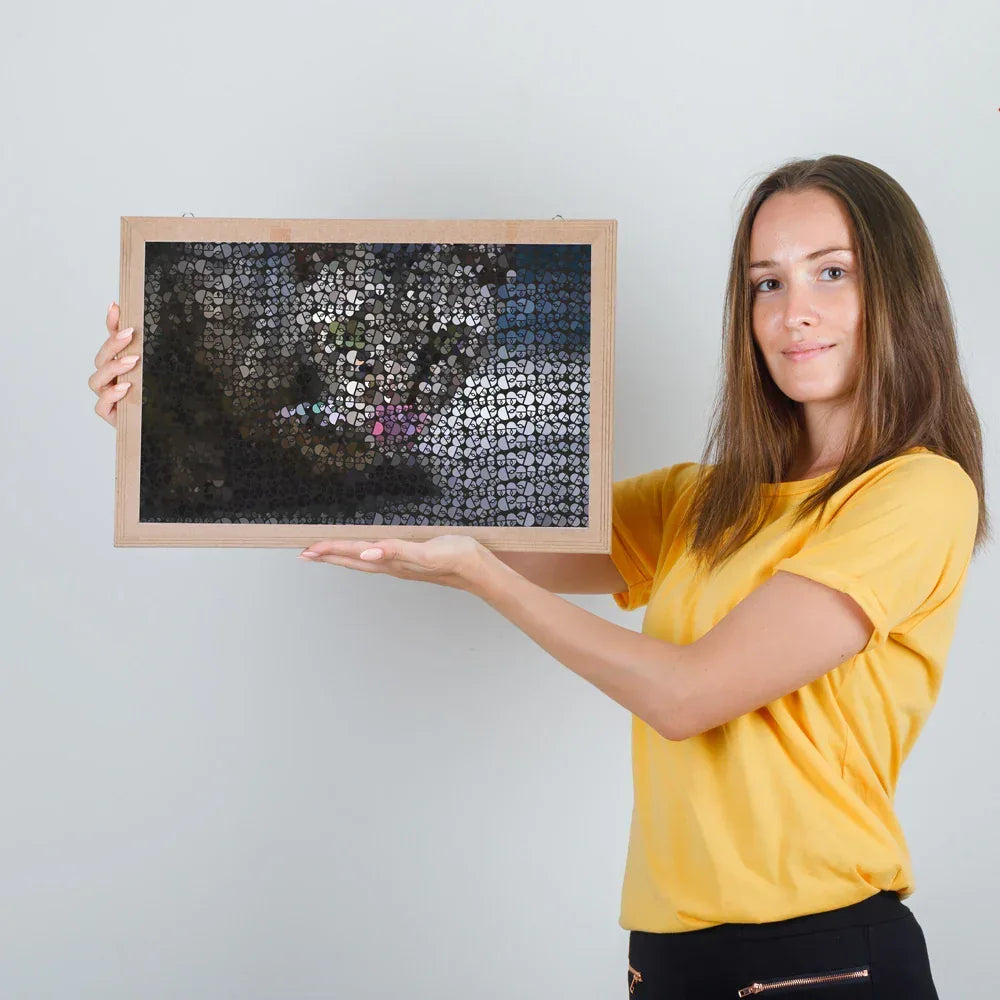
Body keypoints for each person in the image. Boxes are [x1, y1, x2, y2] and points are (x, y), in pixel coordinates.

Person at [89, 154, 988, 998]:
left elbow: (689, 695)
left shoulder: (917, 493)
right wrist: (166, 413)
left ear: (897, 293)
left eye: (833, 272)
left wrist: (488, 579)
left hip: (822, 961)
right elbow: (448, 520)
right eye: (767, 281)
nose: (795, 309)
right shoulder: (707, 501)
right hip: (667, 958)